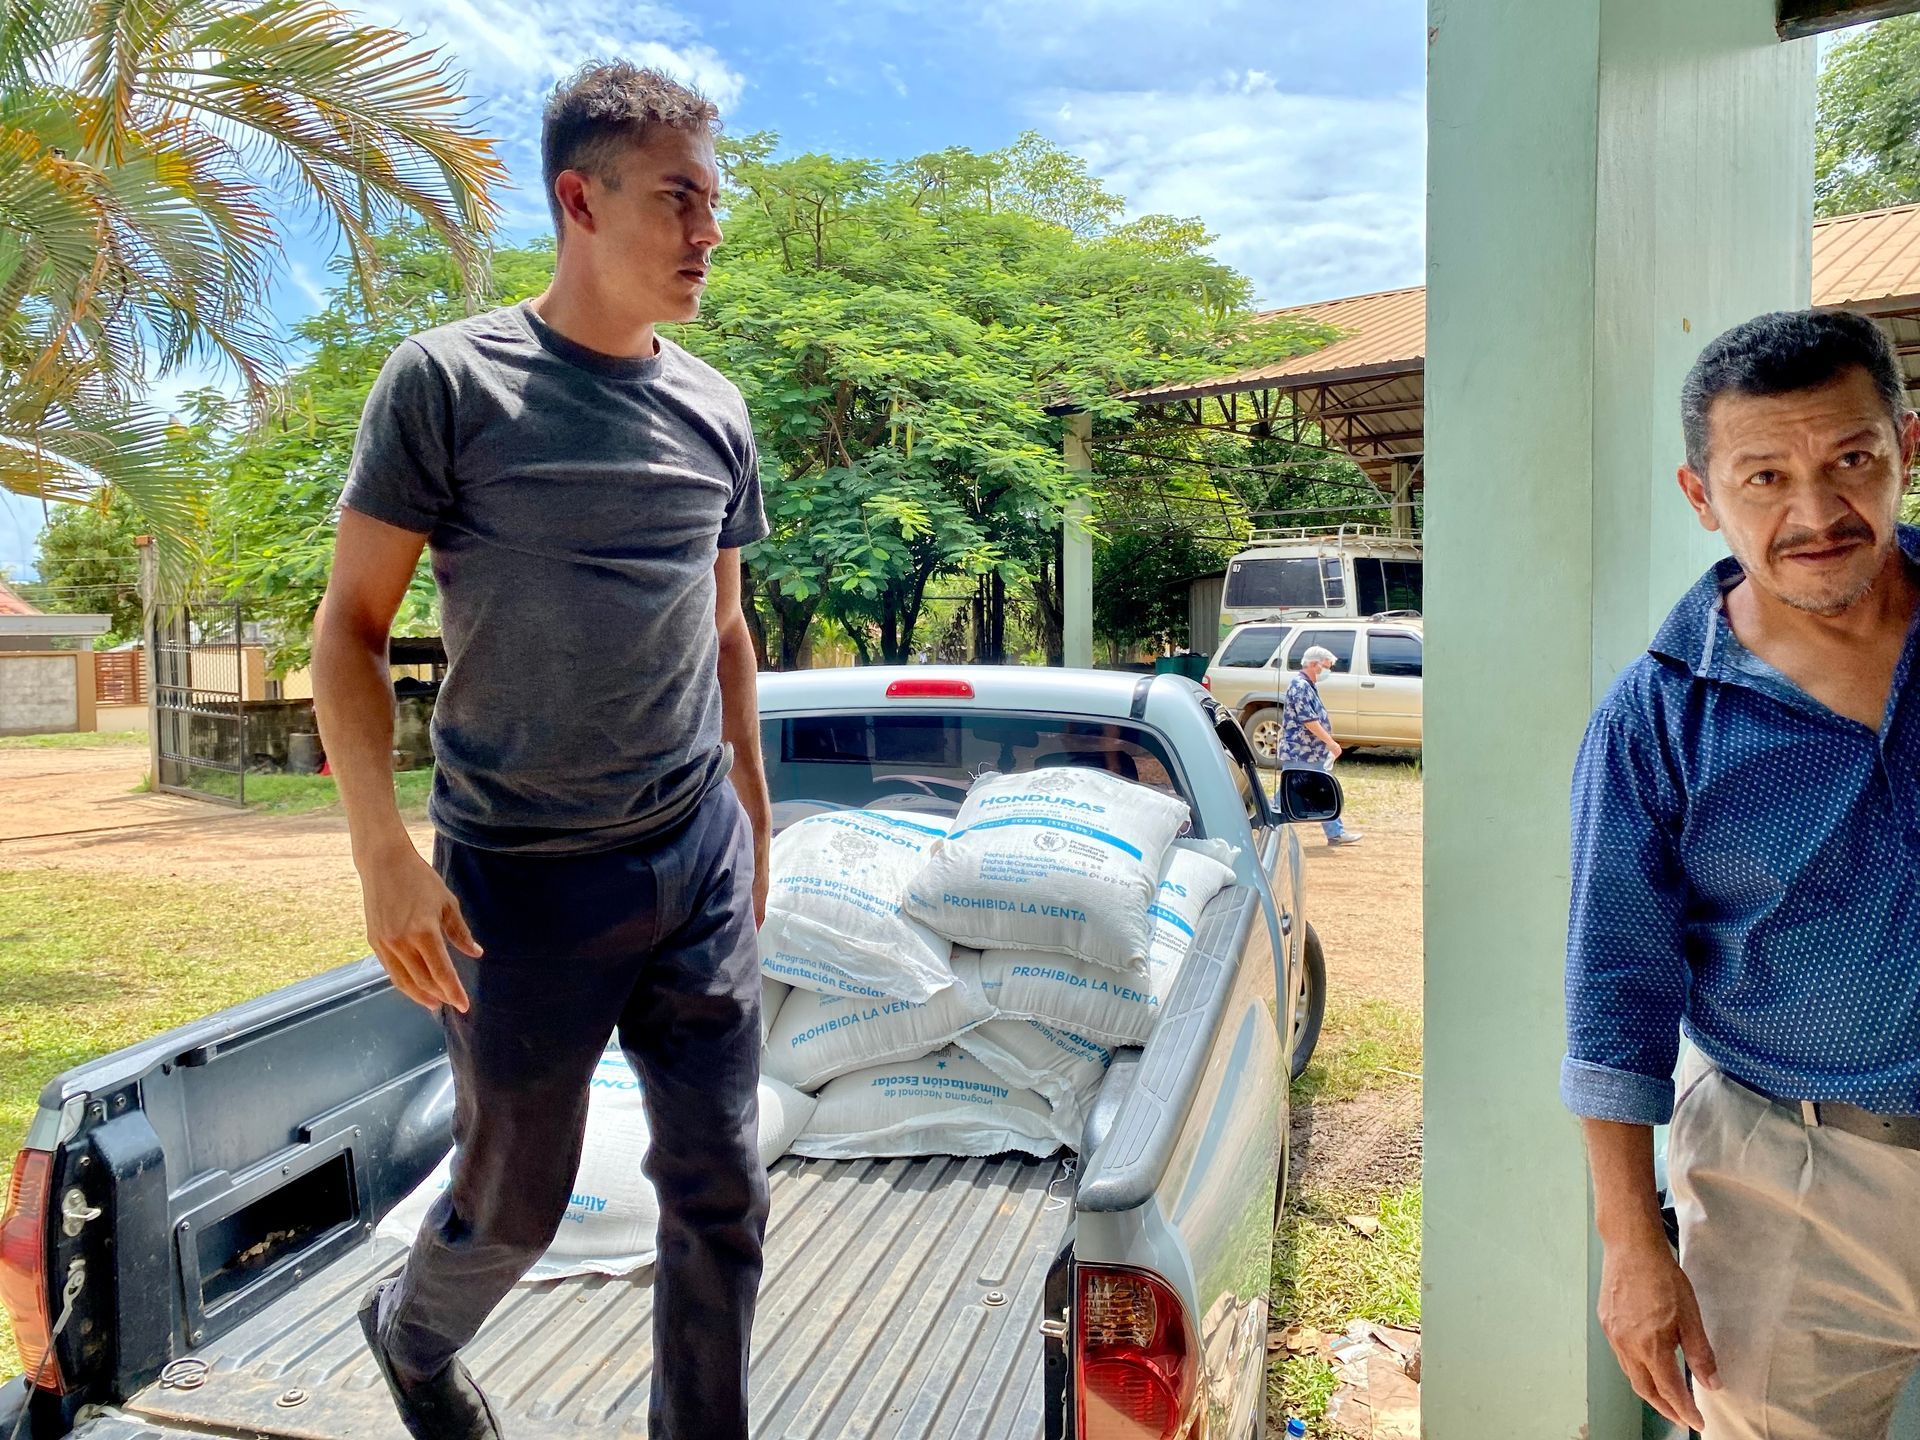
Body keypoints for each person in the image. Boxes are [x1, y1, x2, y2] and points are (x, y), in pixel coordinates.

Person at [311, 62, 770, 1440]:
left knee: (720, 1188)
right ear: (580, 198)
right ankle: (410, 1336)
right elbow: (346, 630)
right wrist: (385, 853)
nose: (709, 231)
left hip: (692, 855)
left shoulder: (718, 411)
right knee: (513, 1200)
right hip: (519, 881)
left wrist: (753, 808)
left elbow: (729, 629)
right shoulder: (447, 385)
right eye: (679, 198)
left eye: (715, 201)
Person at [1562, 308, 1920, 1439]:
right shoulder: (1655, 720)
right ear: (1702, 494)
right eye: (1765, 476)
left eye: (1850, 460)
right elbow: (1615, 994)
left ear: (1906, 447)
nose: (1816, 513)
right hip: (1792, 1173)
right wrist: (1631, 1246)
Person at [1280, 646, 1363, 846]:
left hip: (1308, 751)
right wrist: (1331, 743)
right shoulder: (1300, 686)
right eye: (1326, 667)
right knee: (1295, 791)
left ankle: (1335, 833)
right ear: (1313, 664)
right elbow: (1309, 721)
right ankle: (1259, 818)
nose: (1327, 671)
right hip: (1301, 751)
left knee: (1316, 789)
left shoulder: (1307, 685)